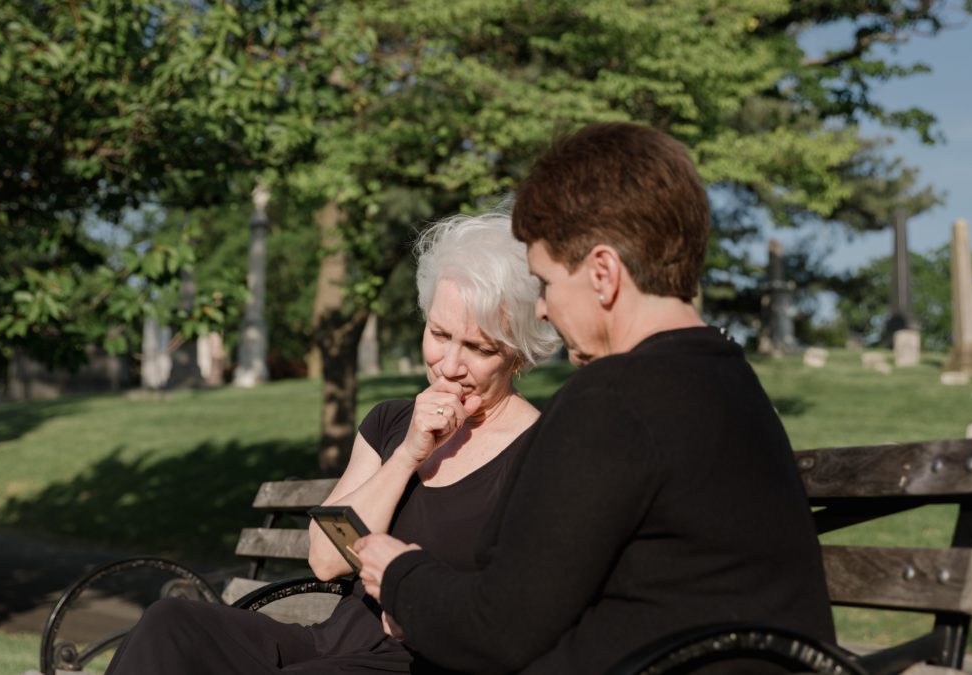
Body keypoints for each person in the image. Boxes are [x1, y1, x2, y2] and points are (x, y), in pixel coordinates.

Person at [355, 122, 837, 674]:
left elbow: (497, 631)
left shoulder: (613, 401)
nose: (541, 311)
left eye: (546, 283)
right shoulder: (731, 383)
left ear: (603, 273)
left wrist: (399, 579)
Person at [103, 209, 559, 674]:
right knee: (170, 622)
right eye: (439, 334)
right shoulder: (391, 422)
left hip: (425, 660)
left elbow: (522, 615)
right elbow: (325, 560)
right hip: (333, 642)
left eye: (479, 349)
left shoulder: (539, 452)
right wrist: (407, 455)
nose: (449, 364)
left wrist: (427, 610)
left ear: (519, 354)